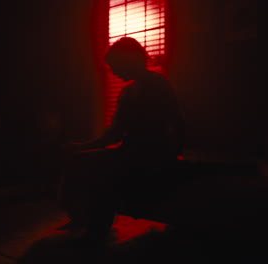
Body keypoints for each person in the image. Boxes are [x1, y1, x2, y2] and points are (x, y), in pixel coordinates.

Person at [57, 37, 185, 244]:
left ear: (129, 61)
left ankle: (96, 226)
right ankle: (82, 217)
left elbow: (177, 122)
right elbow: (115, 133)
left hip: (152, 153)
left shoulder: (158, 85)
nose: (113, 72)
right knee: (79, 160)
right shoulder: (128, 92)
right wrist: (84, 147)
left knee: (102, 170)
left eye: (115, 66)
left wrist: (173, 156)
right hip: (131, 151)